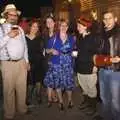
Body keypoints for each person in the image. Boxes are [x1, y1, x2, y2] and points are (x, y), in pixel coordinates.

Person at [0, 4, 29, 119]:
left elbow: (25, 46)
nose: (13, 17)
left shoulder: (20, 28)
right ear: (6, 16)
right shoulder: (1, 29)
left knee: (22, 88)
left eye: (15, 15)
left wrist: (26, 61)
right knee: (9, 90)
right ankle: (9, 113)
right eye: (11, 15)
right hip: (8, 64)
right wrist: (8, 36)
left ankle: (22, 109)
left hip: (21, 63)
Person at [44, 19, 75, 110]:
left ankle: (70, 100)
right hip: (56, 64)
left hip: (68, 63)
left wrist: (74, 56)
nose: (63, 27)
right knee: (58, 84)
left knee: (68, 84)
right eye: (62, 25)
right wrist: (51, 50)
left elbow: (74, 50)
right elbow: (46, 50)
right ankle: (61, 101)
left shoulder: (71, 38)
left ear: (68, 27)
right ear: (59, 27)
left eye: (65, 26)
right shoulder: (53, 38)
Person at [98, 11, 120, 120]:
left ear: (115, 19)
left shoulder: (119, 33)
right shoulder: (101, 34)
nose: (107, 21)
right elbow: (98, 51)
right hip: (102, 69)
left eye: (110, 18)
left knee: (115, 100)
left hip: (115, 71)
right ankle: (106, 117)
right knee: (104, 97)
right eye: (105, 19)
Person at [75, 16, 99, 115]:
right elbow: (78, 51)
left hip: (90, 67)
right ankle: (87, 103)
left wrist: (96, 66)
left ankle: (93, 107)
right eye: (77, 26)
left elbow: (97, 52)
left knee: (91, 88)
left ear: (85, 26)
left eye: (79, 26)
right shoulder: (79, 37)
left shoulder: (93, 37)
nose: (77, 28)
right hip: (80, 67)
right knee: (84, 87)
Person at [26, 19, 45, 105]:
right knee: (30, 82)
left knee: (38, 81)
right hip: (29, 62)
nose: (35, 28)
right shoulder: (25, 37)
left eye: (37, 27)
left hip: (39, 62)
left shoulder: (40, 38)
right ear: (30, 27)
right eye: (33, 26)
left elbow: (43, 51)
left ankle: (38, 95)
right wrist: (26, 62)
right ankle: (28, 97)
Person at [42, 13, 58, 103]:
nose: (49, 24)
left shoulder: (59, 33)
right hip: (47, 59)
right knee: (49, 78)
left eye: (51, 21)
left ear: (54, 23)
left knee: (55, 77)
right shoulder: (44, 34)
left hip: (56, 59)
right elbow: (42, 48)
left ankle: (53, 94)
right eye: (47, 22)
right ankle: (50, 96)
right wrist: (48, 50)